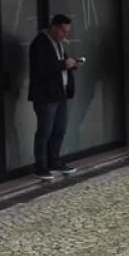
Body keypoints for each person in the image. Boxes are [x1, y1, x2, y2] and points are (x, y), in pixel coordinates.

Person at [29, 14, 81, 181]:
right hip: (46, 95)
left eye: (66, 32)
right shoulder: (40, 43)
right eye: (62, 31)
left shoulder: (59, 44)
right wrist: (63, 65)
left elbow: (60, 65)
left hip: (60, 93)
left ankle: (54, 161)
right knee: (45, 131)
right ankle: (41, 166)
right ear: (54, 27)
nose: (64, 35)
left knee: (59, 129)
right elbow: (41, 69)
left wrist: (72, 65)